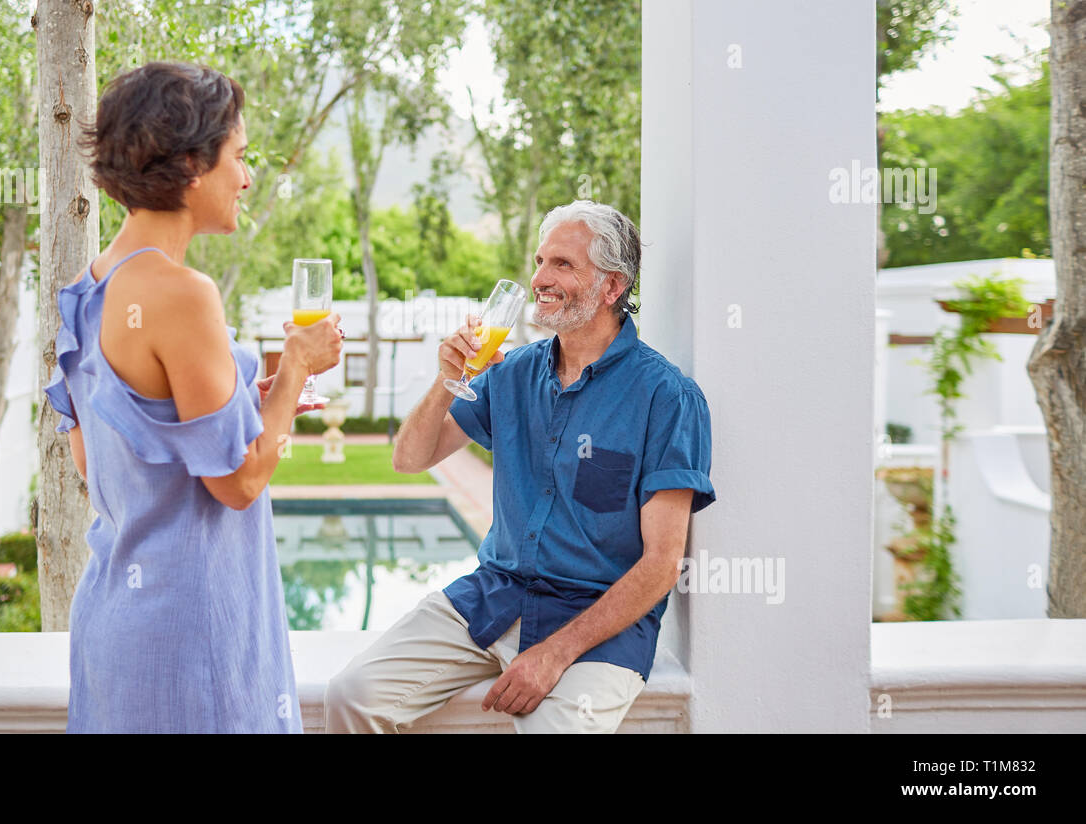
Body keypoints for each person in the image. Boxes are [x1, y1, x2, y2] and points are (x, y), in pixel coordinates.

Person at [324, 199, 716, 734]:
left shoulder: (667, 398)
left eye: (562, 264)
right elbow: (409, 459)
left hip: (597, 626)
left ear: (612, 286)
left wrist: (555, 653)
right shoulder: (510, 373)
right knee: (353, 695)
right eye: (539, 261)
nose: (539, 279)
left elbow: (661, 565)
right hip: (494, 596)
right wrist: (446, 379)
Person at [43, 61, 343, 733]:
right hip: (194, 636)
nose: (247, 176)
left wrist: (256, 403)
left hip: (117, 632)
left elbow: (103, 463)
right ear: (189, 165)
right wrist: (295, 368)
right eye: (238, 156)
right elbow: (237, 482)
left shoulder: (87, 290)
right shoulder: (182, 293)